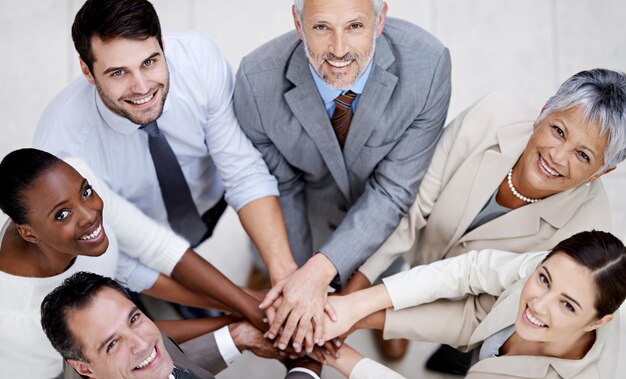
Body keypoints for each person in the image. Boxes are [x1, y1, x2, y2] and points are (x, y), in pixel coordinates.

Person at [353, 68, 626, 368]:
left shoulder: (583, 236)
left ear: (602, 172)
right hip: (427, 253)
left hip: (496, 314)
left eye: (583, 155)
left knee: (471, 352)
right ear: (543, 111)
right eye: (558, 131)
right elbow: (410, 209)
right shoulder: (492, 114)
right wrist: (351, 295)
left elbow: (481, 318)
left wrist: (365, 318)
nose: (557, 157)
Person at [33, 0, 293, 304]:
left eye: (149, 62)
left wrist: (283, 275)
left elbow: (242, 170)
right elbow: (114, 257)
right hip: (128, 243)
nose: (142, 87)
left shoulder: (197, 60)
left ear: (163, 46)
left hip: (206, 201)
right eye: (118, 73)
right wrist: (232, 302)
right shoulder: (63, 150)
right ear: (87, 72)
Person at [233, 0, 451, 356]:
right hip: (301, 206)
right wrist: (292, 277)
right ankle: (264, 267)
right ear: (298, 23)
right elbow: (279, 186)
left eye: (354, 27)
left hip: (381, 212)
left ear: (380, 21)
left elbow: (394, 191)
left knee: (383, 252)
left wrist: (319, 274)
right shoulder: (254, 81)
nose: (338, 50)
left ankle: (374, 297)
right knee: (270, 254)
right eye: (321, 27)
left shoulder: (428, 68)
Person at [0, 148, 266, 378]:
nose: (89, 216)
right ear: (29, 233)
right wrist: (236, 323)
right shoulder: (20, 316)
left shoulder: (74, 178)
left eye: (86, 192)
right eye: (63, 214)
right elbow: (130, 345)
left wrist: (251, 307)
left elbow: (157, 247)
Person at [319, 230, 625, 379]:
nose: (538, 304)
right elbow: (469, 271)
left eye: (567, 306)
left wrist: (343, 358)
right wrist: (357, 305)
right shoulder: (558, 268)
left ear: (597, 322)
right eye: (544, 279)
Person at [40, 272, 282, 379]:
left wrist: (238, 336)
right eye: (112, 344)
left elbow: (174, 367)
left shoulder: (123, 359)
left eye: (134, 318)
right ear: (85, 369)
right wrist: (306, 367)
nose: (141, 342)